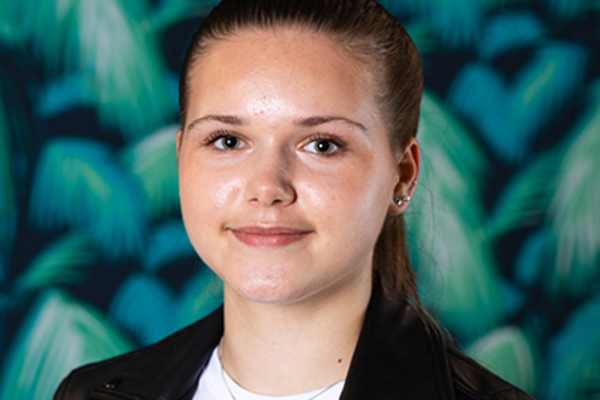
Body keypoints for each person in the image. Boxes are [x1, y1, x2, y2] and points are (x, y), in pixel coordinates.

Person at [53, 0, 535, 399]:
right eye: (227, 140)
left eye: (322, 145)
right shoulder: (90, 394)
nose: (267, 187)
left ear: (402, 175)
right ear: (181, 160)